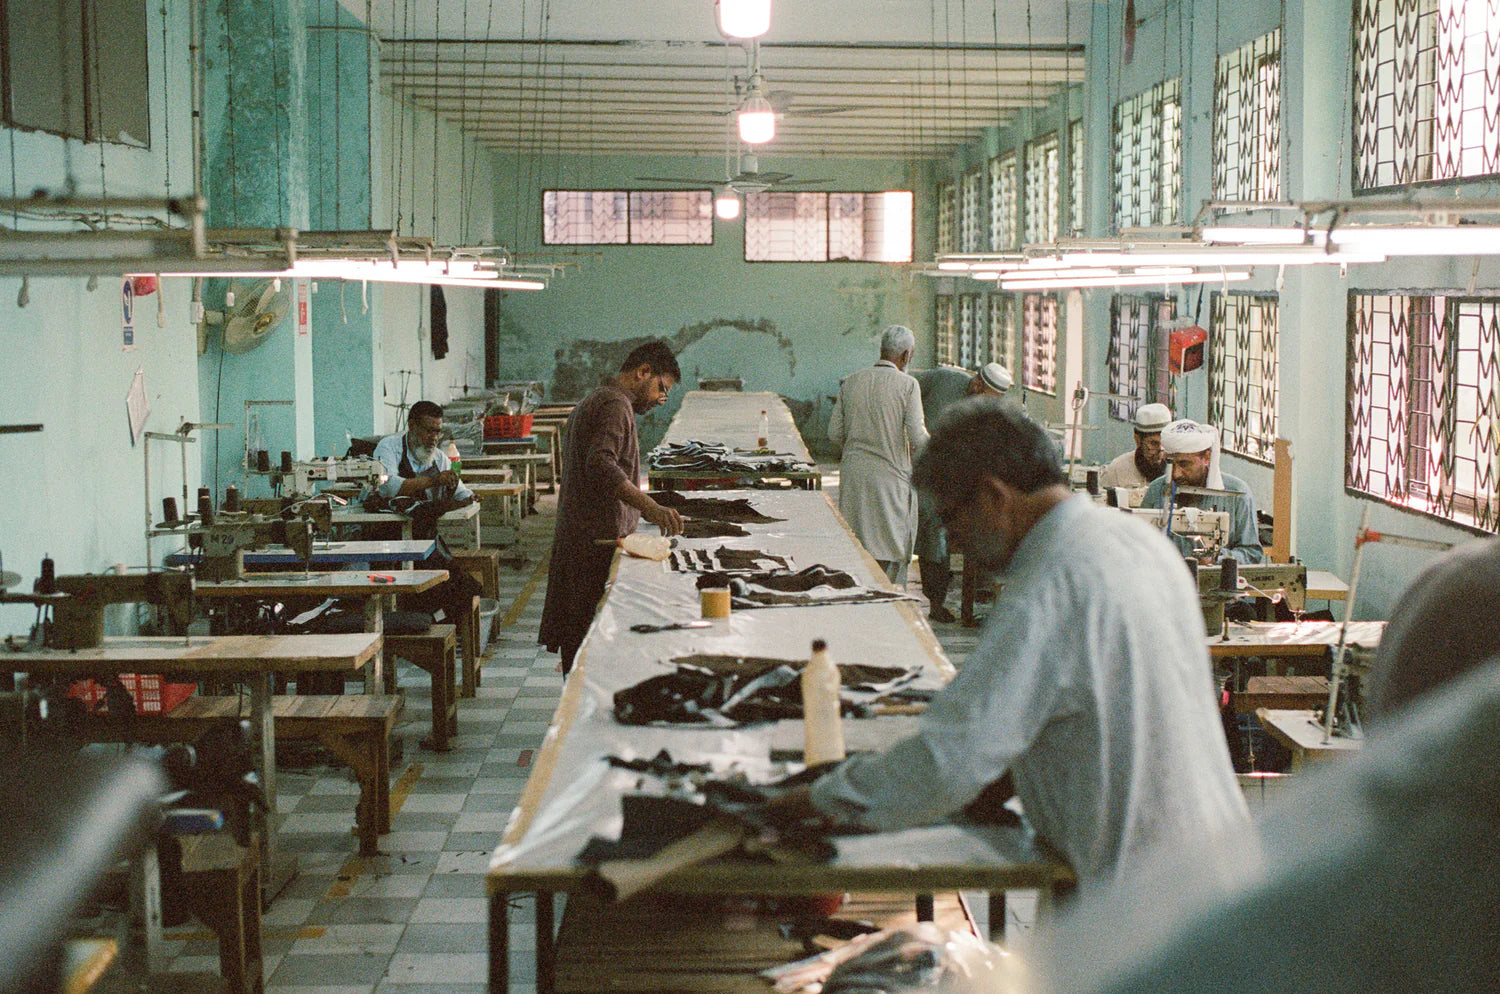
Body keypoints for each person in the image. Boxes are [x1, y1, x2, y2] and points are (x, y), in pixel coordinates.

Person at [776, 399, 1249, 892]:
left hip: (1148, 900)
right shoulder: (1136, 542)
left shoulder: (1049, 585)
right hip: (1216, 865)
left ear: (992, 497)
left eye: (951, 520)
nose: (954, 542)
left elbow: (950, 760)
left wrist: (820, 799)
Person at [538, 341, 685, 674]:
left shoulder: (599, 398)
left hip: (584, 539)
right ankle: (578, 703)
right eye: (661, 389)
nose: (660, 399)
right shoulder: (615, 404)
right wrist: (649, 506)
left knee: (581, 642)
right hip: (590, 545)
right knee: (584, 647)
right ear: (643, 372)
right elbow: (601, 464)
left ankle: (578, 697)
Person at [827, 325, 929, 585]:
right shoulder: (908, 385)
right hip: (890, 482)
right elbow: (917, 437)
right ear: (906, 355)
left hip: (855, 478)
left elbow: (834, 434)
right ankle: (890, 604)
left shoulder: (851, 381)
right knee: (890, 553)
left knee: (858, 551)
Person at [911, 362, 1012, 621]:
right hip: (922, 469)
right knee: (931, 535)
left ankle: (973, 592)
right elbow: (905, 388)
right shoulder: (941, 379)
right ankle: (935, 602)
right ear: (977, 384)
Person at [1140, 419, 1265, 565]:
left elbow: (1252, 554)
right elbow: (1138, 543)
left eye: (1184, 464)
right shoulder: (1157, 489)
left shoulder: (1237, 494)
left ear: (1206, 458)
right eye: (1170, 464)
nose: (1176, 474)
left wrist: (1217, 559)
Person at [373, 400, 475, 505]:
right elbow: (387, 487)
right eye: (429, 431)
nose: (434, 438)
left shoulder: (440, 458)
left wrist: (470, 497)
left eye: (437, 432)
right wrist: (434, 481)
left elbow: (460, 493)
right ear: (412, 426)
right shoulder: (389, 447)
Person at [1098, 402, 1171, 490]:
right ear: (1138, 440)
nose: (1161, 452)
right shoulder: (1115, 471)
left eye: (1165, 443)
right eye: (1153, 443)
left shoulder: (1178, 470)